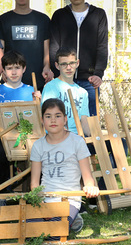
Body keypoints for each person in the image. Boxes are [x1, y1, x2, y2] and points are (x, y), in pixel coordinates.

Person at [30, 98, 99, 234]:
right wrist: (39, 200)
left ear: (65, 119)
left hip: (69, 199)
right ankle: (72, 220)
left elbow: (87, 177)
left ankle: (71, 216)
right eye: (48, 116)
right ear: (42, 120)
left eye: (58, 116)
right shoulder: (38, 145)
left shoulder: (77, 142)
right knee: (30, 231)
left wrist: (90, 186)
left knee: (55, 233)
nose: (53, 120)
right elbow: (34, 183)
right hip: (45, 198)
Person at [50, 0, 108, 116]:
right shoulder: (59, 15)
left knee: (90, 122)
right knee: (63, 118)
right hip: (63, 78)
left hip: (89, 80)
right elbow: (54, 46)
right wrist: (56, 71)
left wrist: (98, 74)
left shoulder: (98, 14)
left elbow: (102, 46)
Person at [0, 50, 40, 189]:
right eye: (9, 68)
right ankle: (1, 193)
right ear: (4, 71)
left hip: (28, 135)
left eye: (17, 68)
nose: (13, 72)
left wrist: (38, 102)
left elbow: (38, 119)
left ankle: (34, 190)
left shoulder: (31, 91)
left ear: (24, 69)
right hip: (2, 135)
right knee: (0, 154)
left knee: (39, 152)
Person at [0, 0, 52, 90]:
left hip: (36, 80)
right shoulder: (3, 20)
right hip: (10, 80)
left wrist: (47, 67)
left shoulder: (43, 19)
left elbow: (47, 48)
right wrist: (2, 70)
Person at [42, 47, 90, 136]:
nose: (69, 68)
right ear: (57, 66)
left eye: (72, 63)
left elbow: (84, 120)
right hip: (56, 137)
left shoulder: (83, 92)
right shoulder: (51, 87)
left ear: (77, 63)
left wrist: (95, 135)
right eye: (64, 64)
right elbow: (48, 118)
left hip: (78, 137)